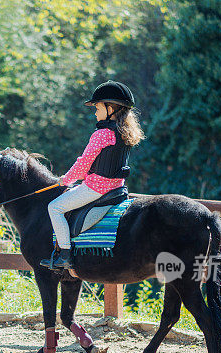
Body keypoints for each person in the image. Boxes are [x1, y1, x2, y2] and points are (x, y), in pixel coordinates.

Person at [41, 80, 145, 270]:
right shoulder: (125, 133)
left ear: (110, 108)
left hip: (95, 189)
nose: (95, 112)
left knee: (54, 208)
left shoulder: (102, 134)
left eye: (97, 107)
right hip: (118, 188)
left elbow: (83, 164)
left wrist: (66, 179)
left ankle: (64, 255)